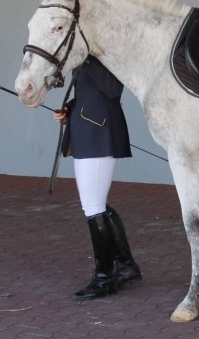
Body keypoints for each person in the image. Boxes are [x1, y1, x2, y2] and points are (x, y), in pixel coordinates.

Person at [53, 55, 142, 300]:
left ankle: (105, 278)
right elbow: (89, 93)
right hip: (88, 133)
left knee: (93, 206)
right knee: (95, 205)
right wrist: (70, 108)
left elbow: (113, 90)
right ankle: (125, 267)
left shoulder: (103, 57)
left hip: (98, 133)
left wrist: (90, 58)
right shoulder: (85, 59)